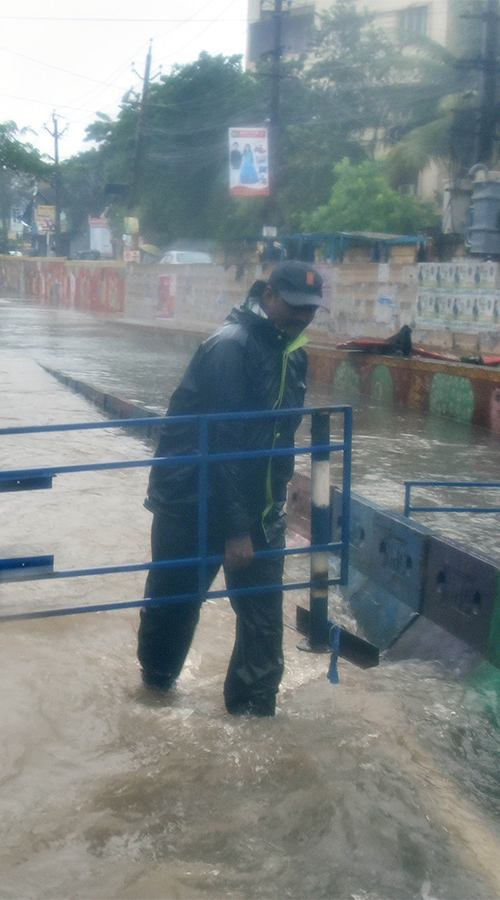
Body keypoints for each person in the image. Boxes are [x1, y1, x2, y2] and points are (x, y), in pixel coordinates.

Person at [136, 260, 326, 716]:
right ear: (270, 297)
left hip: (257, 510)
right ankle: (153, 696)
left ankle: (253, 718)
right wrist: (235, 529)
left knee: (263, 622)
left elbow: (279, 442)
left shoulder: (291, 354)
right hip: (191, 502)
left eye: (311, 310)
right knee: (173, 608)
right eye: (294, 307)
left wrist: (268, 511)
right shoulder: (230, 348)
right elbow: (223, 441)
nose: (302, 317)